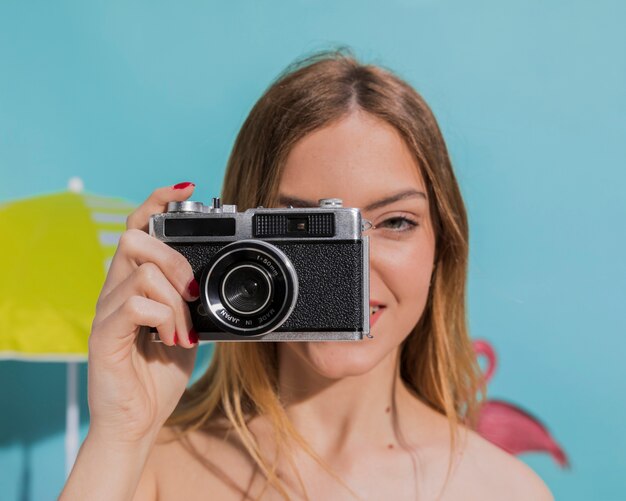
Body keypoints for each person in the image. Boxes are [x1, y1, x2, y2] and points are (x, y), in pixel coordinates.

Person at [60, 49, 553, 500]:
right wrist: (122, 435)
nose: (351, 265)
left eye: (395, 222)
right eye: (302, 227)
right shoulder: (146, 464)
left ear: (442, 247)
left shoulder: (504, 490)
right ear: (236, 243)